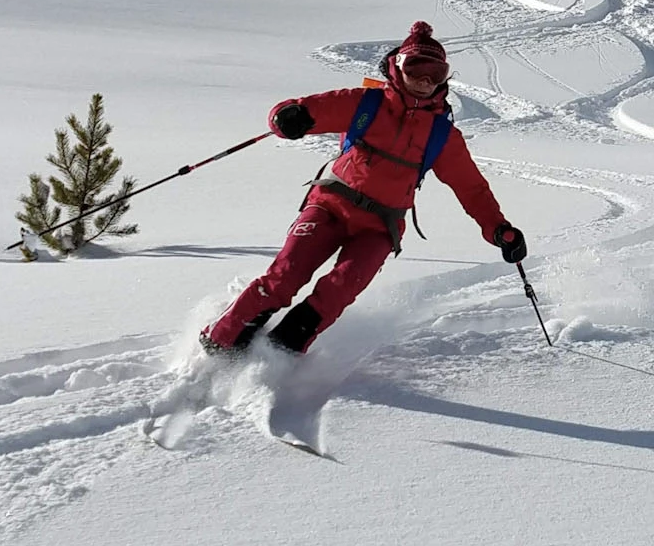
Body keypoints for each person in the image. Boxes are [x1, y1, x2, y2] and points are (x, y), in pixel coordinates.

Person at [199, 20, 527, 355]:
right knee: (284, 279)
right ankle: (218, 341)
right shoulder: (366, 105)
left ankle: (275, 357)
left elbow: (471, 189)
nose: (425, 82)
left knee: (336, 294)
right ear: (397, 67)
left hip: (380, 227)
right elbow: (299, 110)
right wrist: (288, 117)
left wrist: (499, 229)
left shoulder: (442, 136)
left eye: (435, 74)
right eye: (416, 70)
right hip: (329, 206)